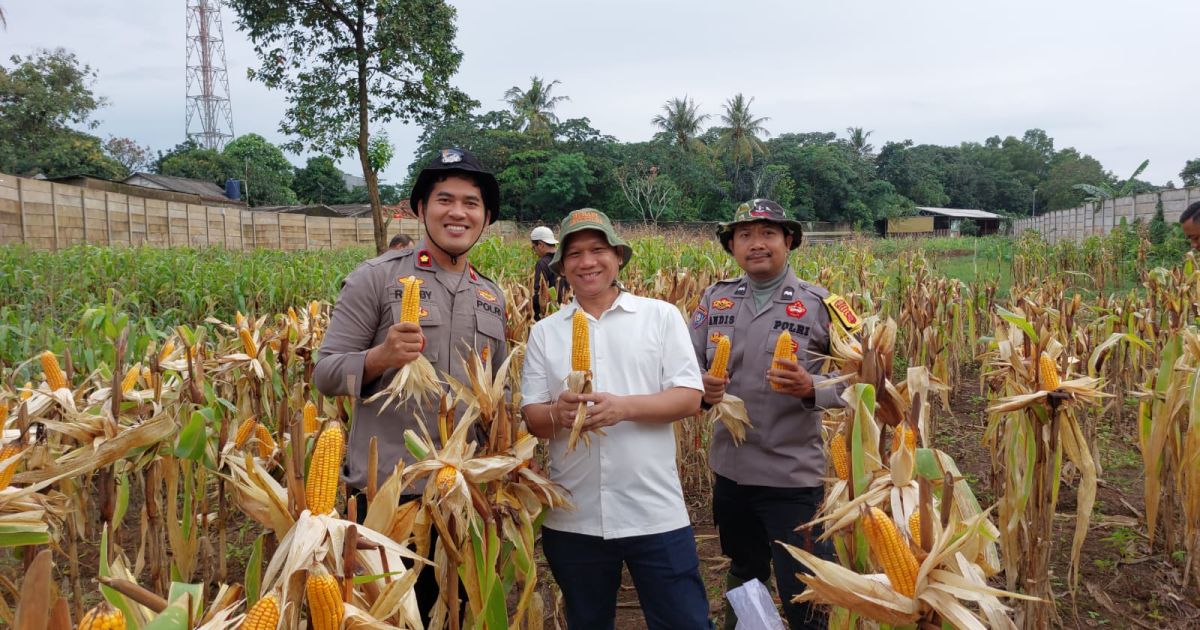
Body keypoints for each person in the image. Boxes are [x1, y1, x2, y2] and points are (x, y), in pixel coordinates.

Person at [313, 147, 508, 623]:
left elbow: (497, 397)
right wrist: (380, 357)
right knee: (394, 618)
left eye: (471, 203)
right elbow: (326, 372)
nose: (458, 212)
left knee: (458, 613)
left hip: (464, 493)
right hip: (391, 496)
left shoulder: (491, 295)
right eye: (445, 199)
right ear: (421, 209)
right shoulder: (377, 279)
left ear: (486, 218)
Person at [521, 208, 711, 629]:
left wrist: (622, 408)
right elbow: (534, 418)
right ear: (561, 266)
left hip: (654, 511)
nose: (587, 262)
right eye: (574, 254)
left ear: (618, 257)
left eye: (598, 250)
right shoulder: (545, 332)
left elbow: (689, 397)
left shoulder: (660, 316)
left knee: (685, 622)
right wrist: (559, 413)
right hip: (575, 516)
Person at [689, 199, 852, 630]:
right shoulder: (716, 298)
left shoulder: (822, 305)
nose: (756, 244)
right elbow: (684, 365)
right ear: (732, 246)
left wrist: (812, 387)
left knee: (805, 585)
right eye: (744, 235)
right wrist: (701, 386)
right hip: (732, 472)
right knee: (745, 573)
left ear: (789, 241)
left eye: (767, 234)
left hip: (792, 477)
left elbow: (867, 381)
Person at [530, 225, 568, 320]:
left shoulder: (542, 263)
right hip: (567, 310)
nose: (535, 252)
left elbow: (540, 293)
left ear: (540, 245)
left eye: (534, 248)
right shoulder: (566, 259)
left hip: (550, 315)